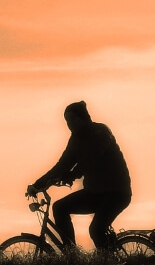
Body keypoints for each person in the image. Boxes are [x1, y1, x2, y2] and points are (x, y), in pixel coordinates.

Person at [30, 101, 132, 251]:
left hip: (116, 193)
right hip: (95, 193)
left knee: (96, 230)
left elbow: (92, 159)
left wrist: (72, 175)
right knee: (59, 207)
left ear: (82, 117)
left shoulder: (101, 131)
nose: (69, 124)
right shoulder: (75, 140)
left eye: (71, 119)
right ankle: (72, 256)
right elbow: (62, 164)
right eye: (66, 121)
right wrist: (38, 185)